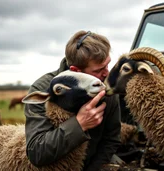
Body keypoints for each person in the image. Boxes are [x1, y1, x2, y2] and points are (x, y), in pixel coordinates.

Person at [24, 30, 121, 171]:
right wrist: (79, 124)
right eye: (99, 70)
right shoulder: (44, 90)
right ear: (76, 70)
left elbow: (111, 140)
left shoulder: (106, 86)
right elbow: (37, 152)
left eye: (107, 64)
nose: (107, 73)